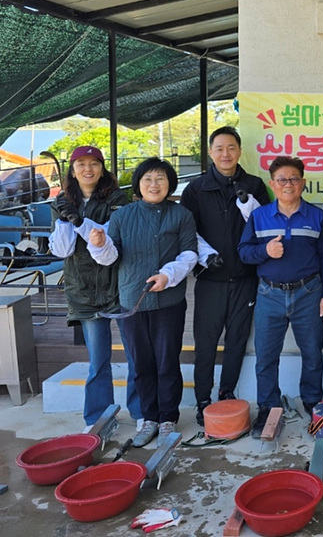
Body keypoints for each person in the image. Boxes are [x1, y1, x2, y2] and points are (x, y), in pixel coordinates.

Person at [88, 158, 198, 447]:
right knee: (141, 362)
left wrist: (167, 275)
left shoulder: (181, 215)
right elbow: (111, 257)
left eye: (160, 179)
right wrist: (99, 244)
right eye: (148, 179)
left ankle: (168, 418)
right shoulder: (123, 216)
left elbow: (189, 255)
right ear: (138, 184)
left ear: (170, 184)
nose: (154, 185)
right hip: (131, 300)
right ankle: (148, 418)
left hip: (169, 300)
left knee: (167, 361)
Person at [179, 126, 269, 426]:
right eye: (219, 148)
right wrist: (205, 258)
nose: (225, 154)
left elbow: (264, 225)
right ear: (210, 152)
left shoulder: (255, 185)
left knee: (237, 341)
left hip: (245, 279)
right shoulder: (195, 189)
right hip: (210, 280)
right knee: (205, 343)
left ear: (240, 151)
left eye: (231, 147)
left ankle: (226, 394)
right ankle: (203, 399)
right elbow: (187, 232)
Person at [238, 156, 323, 434]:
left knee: (312, 352)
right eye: (282, 180)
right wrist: (264, 251)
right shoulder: (259, 216)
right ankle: (267, 406)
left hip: (309, 293)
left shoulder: (317, 216)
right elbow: (243, 252)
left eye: (294, 179)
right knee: (266, 355)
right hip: (269, 294)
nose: (288, 184)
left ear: (303, 182)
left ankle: (313, 402)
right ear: (272, 184)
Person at [48, 145, 141, 430]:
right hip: (83, 290)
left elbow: (109, 239)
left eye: (94, 164)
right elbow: (61, 250)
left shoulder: (118, 200)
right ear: (72, 171)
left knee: (135, 353)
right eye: (81, 164)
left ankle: (141, 413)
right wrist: (65, 218)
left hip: (118, 287)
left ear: (102, 168)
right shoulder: (61, 202)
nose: (88, 170)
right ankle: (100, 418)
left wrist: (79, 220)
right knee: (98, 360)